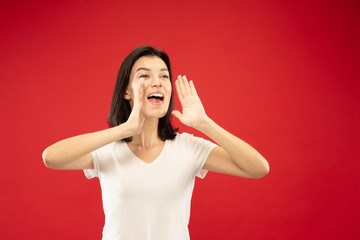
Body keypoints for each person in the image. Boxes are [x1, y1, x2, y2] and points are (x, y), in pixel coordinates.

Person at [42, 45, 270, 240]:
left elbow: (258, 168)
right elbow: (51, 158)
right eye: (144, 76)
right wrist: (126, 129)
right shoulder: (107, 150)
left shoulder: (188, 148)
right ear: (126, 93)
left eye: (164, 76)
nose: (157, 83)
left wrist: (204, 124)